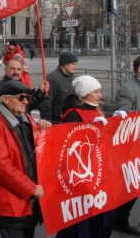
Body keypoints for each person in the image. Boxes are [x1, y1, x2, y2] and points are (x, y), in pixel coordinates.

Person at [0, 80, 51, 238]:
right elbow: (2, 167)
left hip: (27, 200)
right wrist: (31, 189)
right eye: (21, 98)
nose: (26, 101)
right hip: (10, 203)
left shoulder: (26, 118)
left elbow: (37, 149)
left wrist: (42, 127)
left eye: (27, 98)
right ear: (5, 99)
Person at [56, 75, 115, 238]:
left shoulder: (96, 110)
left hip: (98, 173)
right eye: (96, 92)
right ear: (85, 94)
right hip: (82, 177)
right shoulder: (73, 115)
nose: (100, 96)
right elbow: (68, 147)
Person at [113, 55, 140, 236]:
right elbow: (124, 116)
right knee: (132, 187)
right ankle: (119, 221)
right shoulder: (128, 89)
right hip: (133, 148)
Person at [40, 52, 78, 124]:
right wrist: (47, 122)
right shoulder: (52, 78)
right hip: (56, 121)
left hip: (69, 120)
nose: (75, 67)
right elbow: (46, 103)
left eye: (76, 64)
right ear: (64, 63)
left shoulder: (72, 78)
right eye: (72, 64)